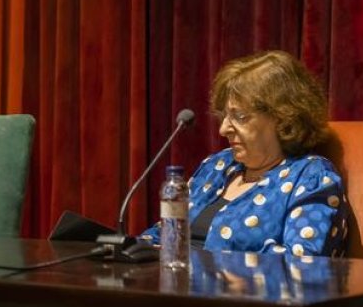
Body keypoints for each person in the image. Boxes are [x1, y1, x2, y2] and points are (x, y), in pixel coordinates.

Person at [139, 50, 348, 257]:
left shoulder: (311, 178)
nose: (223, 129)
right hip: (172, 284)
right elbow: (163, 235)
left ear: (284, 118)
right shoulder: (216, 166)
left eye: (240, 116)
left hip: (239, 289)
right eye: (224, 116)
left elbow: (302, 264)